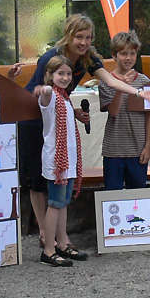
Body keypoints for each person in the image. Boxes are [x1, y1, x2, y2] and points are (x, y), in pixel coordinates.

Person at [20, 14, 150, 251]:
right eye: (78, 37)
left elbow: (108, 79)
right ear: (68, 35)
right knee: (37, 180)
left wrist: (138, 93)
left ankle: (60, 238)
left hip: (56, 117)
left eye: (88, 37)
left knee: (62, 181)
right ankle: (45, 233)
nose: (83, 43)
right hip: (33, 120)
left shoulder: (88, 59)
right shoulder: (52, 58)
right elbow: (43, 95)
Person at [38, 55, 86, 267]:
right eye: (60, 74)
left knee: (63, 203)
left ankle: (62, 242)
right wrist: (44, 89)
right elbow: (45, 95)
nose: (65, 78)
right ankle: (49, 249)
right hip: (57, 161)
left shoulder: (66, 98)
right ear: (50, 75)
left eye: (68, 74)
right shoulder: (51, 97)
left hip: (68, 161)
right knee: (55, 204)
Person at [99, 31, 150, 190]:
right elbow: (113, 112)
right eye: (123, 54)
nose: (128, 58)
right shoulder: (106, 81)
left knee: (137, 195)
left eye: (132, 53)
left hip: (138, 150)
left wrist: (148, 146)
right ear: (114, 56)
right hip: (114, 150)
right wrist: (121, 86)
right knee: (112, 196)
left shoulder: (144, 81)